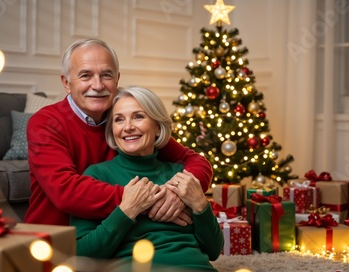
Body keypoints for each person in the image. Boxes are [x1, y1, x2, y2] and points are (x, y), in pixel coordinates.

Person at [24, 39, 213, 226]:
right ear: (66, 83)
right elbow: (65, 192)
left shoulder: (126, 117)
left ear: (117, 79)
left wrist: (177, 194)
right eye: (85, 76)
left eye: (106, 75)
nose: (98, 86)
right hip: (54, 241)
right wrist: (152, 200)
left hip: (117, 240)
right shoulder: (45, 123)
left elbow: (196, 162)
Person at [71, 86, 223, 271]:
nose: (128, 127)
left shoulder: (180, 174)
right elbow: (81, 256)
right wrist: (126, 211)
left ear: (158, 127)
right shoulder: (96, 176)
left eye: (138, 116)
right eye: (119, 120)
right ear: (112, 130)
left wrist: (201, 205)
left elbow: (214, 251)